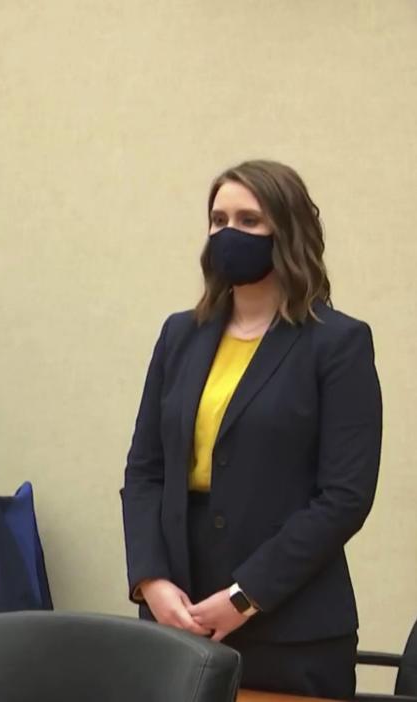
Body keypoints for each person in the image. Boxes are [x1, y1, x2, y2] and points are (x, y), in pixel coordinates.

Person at [121, 159, 382, 698]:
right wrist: (151, 581)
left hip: (290, 627)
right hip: (177, 617)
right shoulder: (180, 335)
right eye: (218, 220)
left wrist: (245, 595)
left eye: (248, 221)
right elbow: (145, 469)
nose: (227, 234)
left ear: (286, 233)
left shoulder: (336, 344)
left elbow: (344, 497)